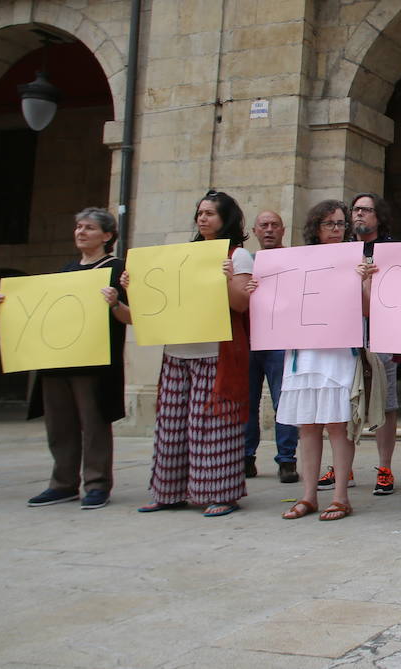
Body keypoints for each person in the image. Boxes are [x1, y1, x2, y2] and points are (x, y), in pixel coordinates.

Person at [0, 208, 130, 510]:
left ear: (107, 235)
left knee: (94, 424)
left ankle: (97, 484)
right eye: (78, 227)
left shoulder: (116, 269)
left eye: (89, 228)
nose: (81, 232)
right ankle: (62, 483)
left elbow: (132, 317)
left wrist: (114, 303)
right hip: (57, 361)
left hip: (94, 363)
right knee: (59, 425)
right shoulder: (65, 271)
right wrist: (6, 307)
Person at [134, 190, 253, 517]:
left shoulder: (238, 256)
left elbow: (241, 304)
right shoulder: (183, 255)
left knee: (213, 427)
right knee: (170, 426)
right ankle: (168, 493)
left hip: (216, 353)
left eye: (210, 213)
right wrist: (136, 284)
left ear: (225, 218)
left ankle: (221, 494)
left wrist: (226, 279)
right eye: (200, 213)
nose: (202, 218)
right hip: (177, 351)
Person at [266, 200, 366, 521]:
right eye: (329, 223)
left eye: (340, 223)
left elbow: (367, 308)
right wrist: (259, 288)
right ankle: (308, 495)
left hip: (337, 352)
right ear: (316, 228)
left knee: (338, 424)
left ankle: (340, 496)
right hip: (304, 352)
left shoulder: (355, 259)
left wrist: (364, 280)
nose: (336, 229)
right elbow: (278, 301)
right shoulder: (297, 261)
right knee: (307, 425)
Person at [343, 192, 401, 496]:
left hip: (382, 334)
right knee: (342, 403)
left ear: (379, 216)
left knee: (385, 401)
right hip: (345, 335)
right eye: (355, 209)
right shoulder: (341, 250)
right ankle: (343, 466)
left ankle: (385, 468)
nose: (359, 214)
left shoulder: (392, 250)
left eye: (366, 210)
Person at [245, 209, 299, 483]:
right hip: (250, 340)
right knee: (247, 402)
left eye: (274, 225)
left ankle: (287, 460)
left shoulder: (296, 260)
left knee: (284, 401)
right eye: (263, 225)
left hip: (280, 340)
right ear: (254, 231)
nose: (269, 229)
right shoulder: (245, 263)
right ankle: (246, 458)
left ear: (283, 230)